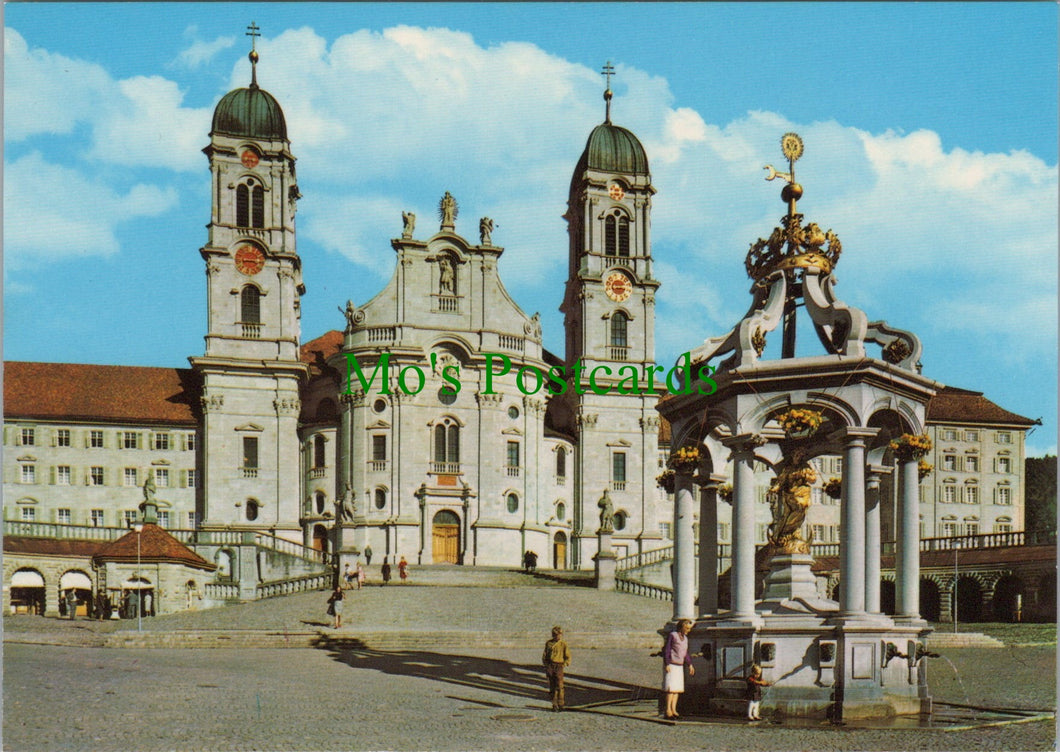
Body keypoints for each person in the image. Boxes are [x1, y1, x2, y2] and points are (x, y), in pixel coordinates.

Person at [662, 619, 695, 720]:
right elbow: (667, 649)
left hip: (679, 665)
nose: (689, 630)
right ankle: (667, 710)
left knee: (677, 689)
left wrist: (690, 664)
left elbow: (685, 653)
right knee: (670, 689)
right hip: (672, 664)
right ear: (682, 627)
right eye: (687, 628)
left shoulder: (685, 639)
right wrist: (667, 663)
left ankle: (673, 709)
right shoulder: (673, 635)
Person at [542, 626, 571, 711]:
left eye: (559, 634)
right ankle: (554, 704)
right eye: (555, 634)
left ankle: (561, 704)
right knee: (552, 685)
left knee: (560, 685)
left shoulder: (563, 644)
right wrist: (547, 665)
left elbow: (568, 656)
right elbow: (545, 655)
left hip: (559, 665)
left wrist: (564, 664)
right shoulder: (548, 643)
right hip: (551, 665)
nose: (557, 636)